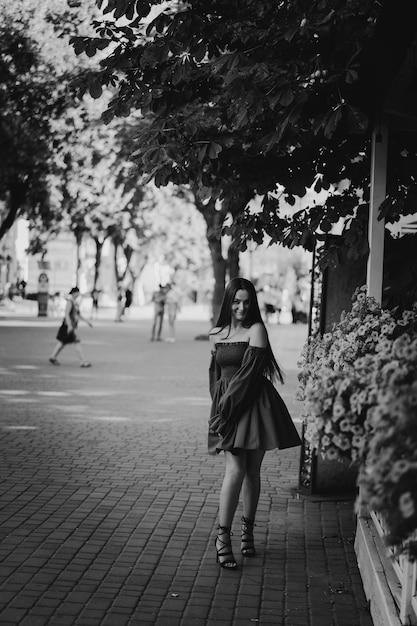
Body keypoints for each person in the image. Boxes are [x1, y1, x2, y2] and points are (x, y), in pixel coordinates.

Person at [208, 277, 301, 570]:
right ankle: (223, 538)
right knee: (234, 470)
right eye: (236, 301)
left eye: (247, 302)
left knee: (252, 471)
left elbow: (248, 376)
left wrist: (226, 409)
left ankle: (247, 532)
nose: (241, 307)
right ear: (228, 301)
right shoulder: (216, 333)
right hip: (228, 406)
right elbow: (215, 376)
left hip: (253, 405)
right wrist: (217, 407)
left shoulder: (257, 330)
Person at [49, 287, 93, 367]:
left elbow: (78, 315)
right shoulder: (70, 302)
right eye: (77, 292)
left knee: (62, 342)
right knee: (76, 342)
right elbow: (66, 314)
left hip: (71, 326)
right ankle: (83, 361)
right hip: (68, 326)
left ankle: (53, 356)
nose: (78, 294)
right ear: (74, 293)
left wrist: (87, 322)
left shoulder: (74, 302)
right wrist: (69, 325)